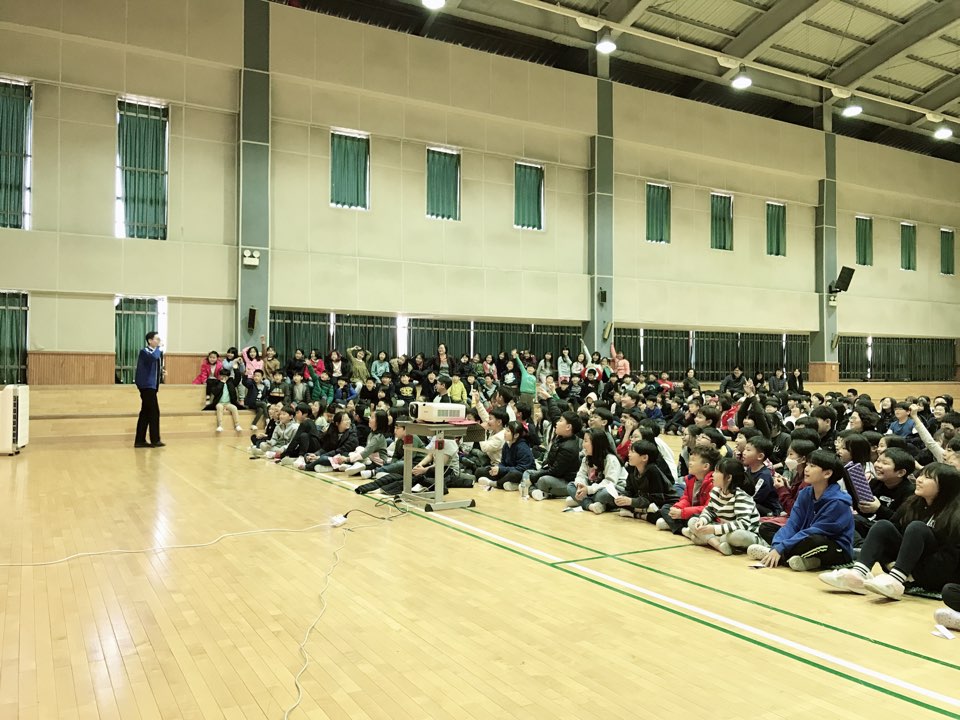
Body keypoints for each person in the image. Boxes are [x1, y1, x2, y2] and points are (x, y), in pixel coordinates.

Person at [819, 463, 960, 598]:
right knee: (883, 526)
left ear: (944, 486)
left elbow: (951, 559)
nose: (919, 480)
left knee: (917, 528)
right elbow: (890, 535)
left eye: (928, 477)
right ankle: (858, 574)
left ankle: (896, 581)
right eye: (921, 475)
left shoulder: (955, 514)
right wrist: (888, 562)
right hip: (904, 567)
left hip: (934, 573)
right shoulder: (912, 503)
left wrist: (914, 572)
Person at [749, 450, 856, 571]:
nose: (806, 469)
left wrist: (781, 548)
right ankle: (807, 561)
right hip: (806, 537)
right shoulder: (805, 493)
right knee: (767, 528)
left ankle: (777, 555)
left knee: (815, 540)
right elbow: (793, 523)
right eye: (807, 464)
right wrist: (777, 545)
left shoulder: (838, 502)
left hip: (836, 550)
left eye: (812, 466)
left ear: (827, 473)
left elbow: (816, 531)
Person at [684, 458, 760, 556]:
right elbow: (709, 511)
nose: (712, 474)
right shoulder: (716, 491)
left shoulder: (741, 496)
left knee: (737, 536)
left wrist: (714, 529)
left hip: (746, 533)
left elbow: (743, 524)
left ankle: (705, 539)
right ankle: (718, 545)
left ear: (728, 478)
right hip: (725, 531)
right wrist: (702, 520)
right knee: (693, 521)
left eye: (717, 472)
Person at [658, 446, 718, 533]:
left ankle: (676, 526)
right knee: (666, 508)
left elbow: (708, 508)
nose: (689, 463)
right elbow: (686, 498)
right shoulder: (690, 479)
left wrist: (683, 513)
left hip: (704, 515)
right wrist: (677, 507)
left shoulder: (713, 483)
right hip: (690, 511)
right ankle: (683, 529)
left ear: (705, 466)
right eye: (690, 460)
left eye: (693, 460)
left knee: (694, 518)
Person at [528, 412, 583, 501]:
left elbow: (556, 471)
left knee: (543, 480)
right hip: (553, 474)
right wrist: (540, 470)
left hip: (564, 480)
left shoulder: (569, 447)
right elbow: (549, 461)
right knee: (528, 472)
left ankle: (533, 490)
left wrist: (539, 474)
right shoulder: (560, 438)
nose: (557, 423)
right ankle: (538, 492)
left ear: (568, 427)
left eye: (560, 421)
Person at [477, 421, 535, 492]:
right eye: (505, 430)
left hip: (522, 473)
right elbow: (503, 462)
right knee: (480, 471)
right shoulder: (506, 444)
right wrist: (498, 468)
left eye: (508, 431)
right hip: (508, 471)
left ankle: (495, 483)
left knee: (514, 474)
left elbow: (522, 468)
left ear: (516, 435)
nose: (505, 433)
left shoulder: (522, 447)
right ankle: (509, 484)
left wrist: (501, 470)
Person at [134, 331, 165, 448]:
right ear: (150, 341)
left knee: (145, 413)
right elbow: (152, 358)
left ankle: (140, 440)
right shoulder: (145, 352)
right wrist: (159, 348)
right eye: (156, 339)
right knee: (154, 412)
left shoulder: (154, 352)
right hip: (146, 386)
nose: (158, 341)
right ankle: (155, 440)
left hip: (152, 386)